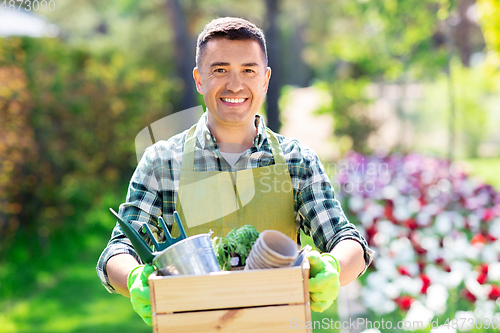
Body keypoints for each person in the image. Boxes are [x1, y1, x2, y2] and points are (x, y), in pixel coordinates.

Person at [97, 17, 374, 326]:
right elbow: (117, 251)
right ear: (199, 79)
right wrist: (135, 276)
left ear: (265, 80)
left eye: (248, 70)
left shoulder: (298, 161)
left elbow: (347, 240)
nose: (235, 84)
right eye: (220, 70)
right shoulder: (162, 162)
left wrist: (333, 267)